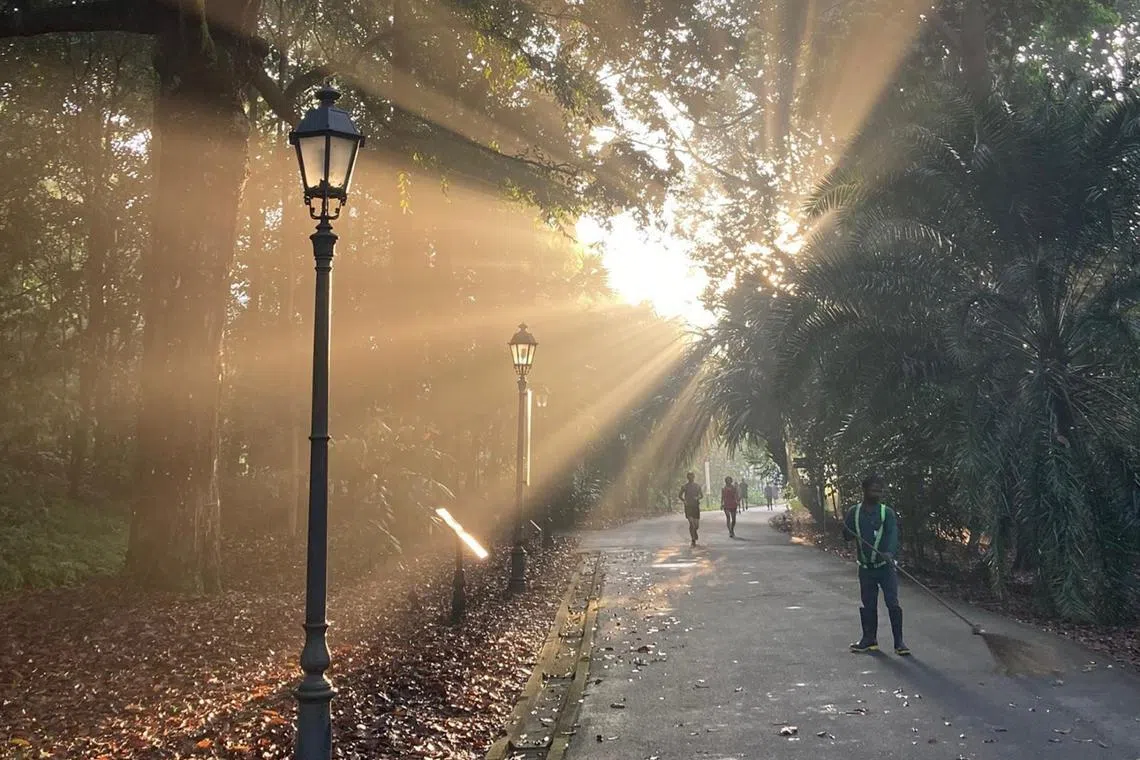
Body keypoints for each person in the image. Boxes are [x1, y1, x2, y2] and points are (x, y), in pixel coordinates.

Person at [843, 474, 909, 656]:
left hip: (885, 567)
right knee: (868, 604)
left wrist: (889, 552)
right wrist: (846, 529)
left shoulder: (886, 513)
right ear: (864, 490)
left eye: (880, 490)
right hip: (865, 568)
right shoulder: (853, 512)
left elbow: (893, 534)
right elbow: (846, 535)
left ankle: (899, 642)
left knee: (892, 603)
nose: (878, 492)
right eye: (874, 489)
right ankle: (869, 640)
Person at [679, 472, 704, 547]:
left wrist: (697, 498)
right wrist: (684, 501)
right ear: (687, 478)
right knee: (691, 523)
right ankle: (693, 540)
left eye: (692, 477)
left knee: (696, 526)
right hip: (688, 506)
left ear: (694, 477)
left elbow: (701, 496)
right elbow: (679, 495)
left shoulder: (697, 486)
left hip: (695, 506)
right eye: (689, 477)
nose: (690, 478)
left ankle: (694, 532)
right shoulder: (684, 487)